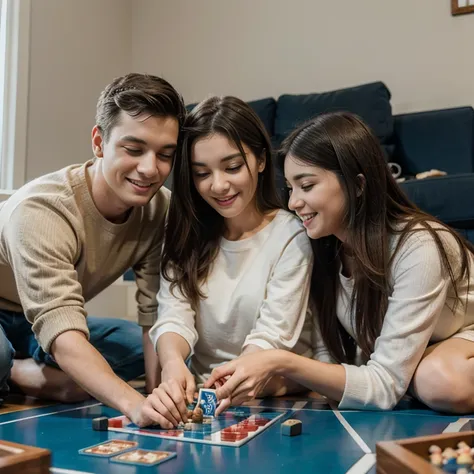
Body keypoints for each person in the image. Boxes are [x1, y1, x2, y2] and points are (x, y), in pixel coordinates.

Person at [205, 111, 474, 414]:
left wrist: (279, 360)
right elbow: (328, 357)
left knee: (438, 380)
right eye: (290, 189)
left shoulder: (419, 246)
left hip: (462, 338)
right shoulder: (323, 245)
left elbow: (384, 386)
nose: (293, 203)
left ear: (357, 185)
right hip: (418, 351)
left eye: (306, 186)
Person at [0, 73, 186, 425]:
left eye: (165, 155)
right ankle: (14, 372)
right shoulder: (42, 209)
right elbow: (62, 327)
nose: (150, 169)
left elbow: (152, 314)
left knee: (136, 347)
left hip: (38, 321)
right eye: (134, 149)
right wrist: (134, 406)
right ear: (99, 143)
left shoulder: (160, 209)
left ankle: (41, 373)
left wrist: (155, 394)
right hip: (22, 312)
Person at [144, 96, 313, 428]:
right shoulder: (184, 232)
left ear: (261, 159)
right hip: (207, 397)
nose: (218, 185)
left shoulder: (292, 234)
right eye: (201, 173)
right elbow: (173, 314)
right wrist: (173, 362)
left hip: (274, 394)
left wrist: (235, 379)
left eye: (233, 167)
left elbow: (271, 337)